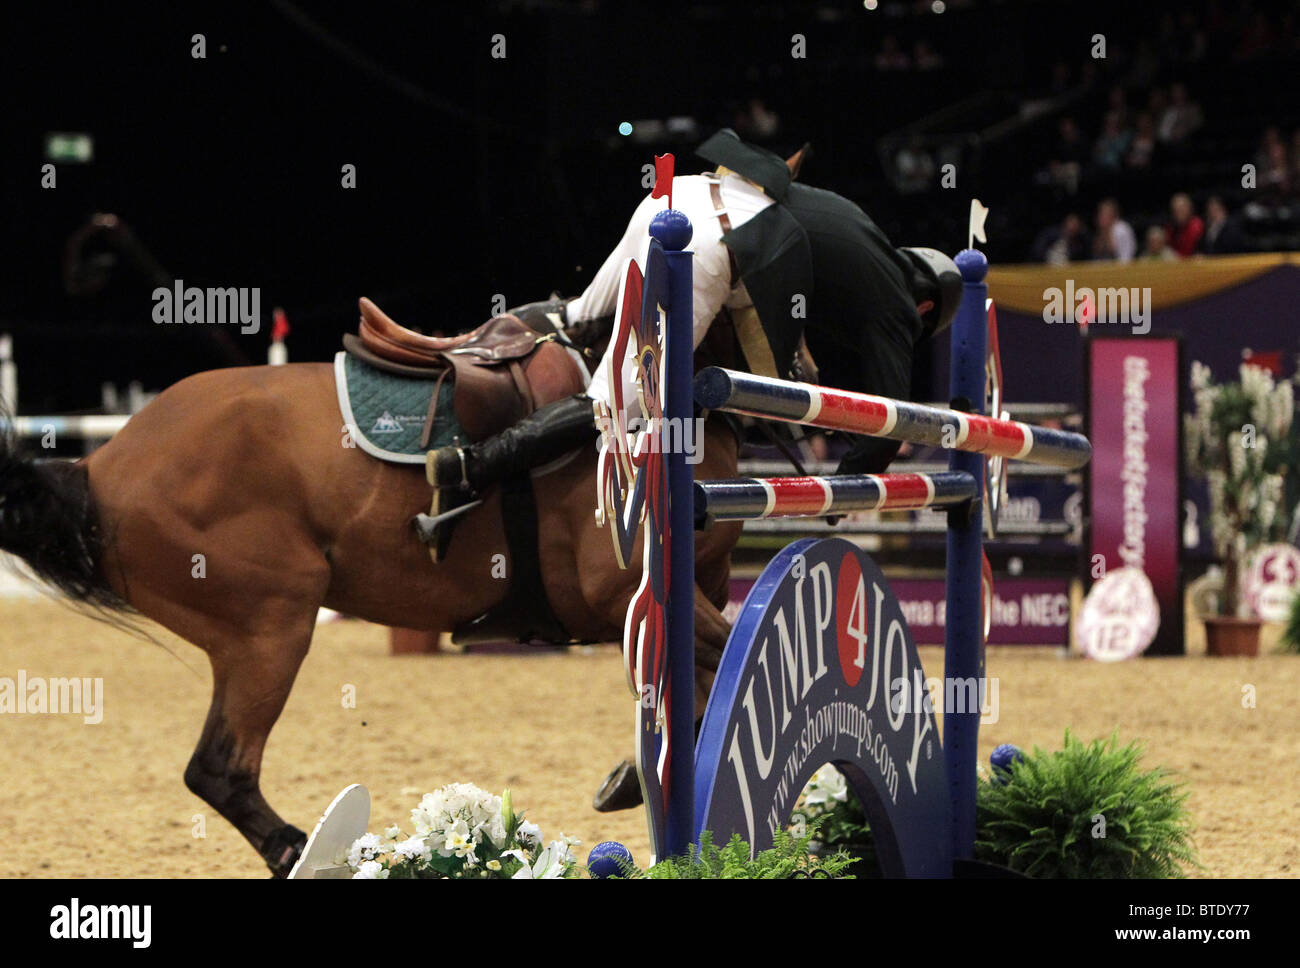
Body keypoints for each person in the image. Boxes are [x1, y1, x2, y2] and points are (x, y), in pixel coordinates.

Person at [424, 129, 962, 543]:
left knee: (576, 316)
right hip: (709, 247)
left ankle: (473, 346)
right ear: (924, 305)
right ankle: (470, 468)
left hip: (675, 194)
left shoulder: (861, 228)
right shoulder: (895, 306)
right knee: (611, 408)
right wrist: (840, 494)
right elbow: (888, 421)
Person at [1093, 198, 1137, 263]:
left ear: (1113, 214)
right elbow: (1097, 253)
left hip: (1124, 266)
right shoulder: (1104, 229)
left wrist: (1107, 232)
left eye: (1103, 214)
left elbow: (1115, 253)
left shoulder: (1121, 228)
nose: (1099, 217)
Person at [1167, 192, 1204, 257]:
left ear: (1190, 209)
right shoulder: (1170, 229)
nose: (1178, 212)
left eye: (1182, 209)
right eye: (1175, 209)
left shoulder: (1198, 226)